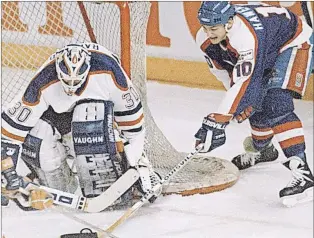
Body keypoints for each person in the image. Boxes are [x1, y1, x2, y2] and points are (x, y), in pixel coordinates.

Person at [1, 42, 161, 210]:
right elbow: (10, 132)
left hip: (98, 118)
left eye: (76, 80)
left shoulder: (108, 70)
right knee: (38, 137)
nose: (71, 87)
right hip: (58, 118)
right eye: (66, 80)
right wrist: (6, 172)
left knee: (88, 116)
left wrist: (138, 164)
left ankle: (111, 185)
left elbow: (133, 126)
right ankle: (61, 189)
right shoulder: (44, 79)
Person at [194, 1, 313, 206]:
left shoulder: (245, 36)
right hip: (268, 43)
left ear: (229, 22)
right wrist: (235, 105)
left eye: (213, 28)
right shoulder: (203, 38)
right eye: (205, 27)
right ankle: (263, 150)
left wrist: (220, 119)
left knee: (276, 103)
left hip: (294, 41)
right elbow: (225, 73)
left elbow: (245, 81)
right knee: (254, 103)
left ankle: (304, 174)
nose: (208, 33)